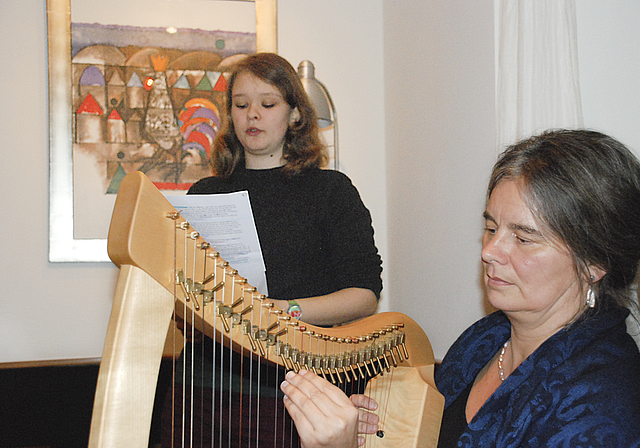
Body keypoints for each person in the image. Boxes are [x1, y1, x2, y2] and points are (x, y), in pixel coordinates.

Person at [280, 129, 640, 447]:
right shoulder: (485, 338)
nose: (489, 251)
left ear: (595, 262)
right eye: (491, 228)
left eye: (524, 237)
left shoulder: (603, 403)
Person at [160, 52, 383, 448]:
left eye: (267, 104)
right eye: (241, 105)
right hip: (203, 383)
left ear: (295, 115)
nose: (252, 115)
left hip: (294, 390)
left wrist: (283, 312)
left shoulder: (331, 191)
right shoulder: (205, 194)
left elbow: (364, 295)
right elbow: (181, 293)